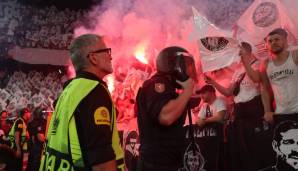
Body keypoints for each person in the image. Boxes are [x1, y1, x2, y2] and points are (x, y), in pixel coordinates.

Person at [40, 34, 124, 171]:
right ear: (93, 58)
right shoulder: (94, 91)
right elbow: (101, 159)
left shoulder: (70, 89)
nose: (111, 56)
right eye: (106, 51)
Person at [205, 42, 274, 171]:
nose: (237, 54)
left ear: (246, 51)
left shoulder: (259, 64)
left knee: (256, 146)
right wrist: (213, 82)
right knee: (242, 148)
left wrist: (245, 62)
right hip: (240, 112)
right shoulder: (237, 71)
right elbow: (228, 92)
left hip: (254, 109)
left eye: (239, 51)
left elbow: (256, 79)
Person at [136, 46, 197, 170]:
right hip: (156, 164)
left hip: (165, 162)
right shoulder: (157, 84)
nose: (189, 69)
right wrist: (187, 91)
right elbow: (165, 117)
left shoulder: (168, 87)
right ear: (172, 64)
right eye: (185, 64)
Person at [260, 28, 298, 125]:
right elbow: (264, 88)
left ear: (285, 41)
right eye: (270, 41)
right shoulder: (265, 64)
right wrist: (267, 111)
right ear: (267, 45)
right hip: (281, 113)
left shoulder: (295, 55)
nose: (273, 42)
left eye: (277, 39)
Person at [196, 84, 227, 171]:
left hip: (223, 140)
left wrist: (204, 121)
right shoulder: (205, 106)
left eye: (204, 93)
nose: (201, 96)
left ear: (212, 93)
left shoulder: (220, 101)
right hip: (212, 141)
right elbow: (198, 120)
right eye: (201, 93)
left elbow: (220, 117)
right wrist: (201, 121)